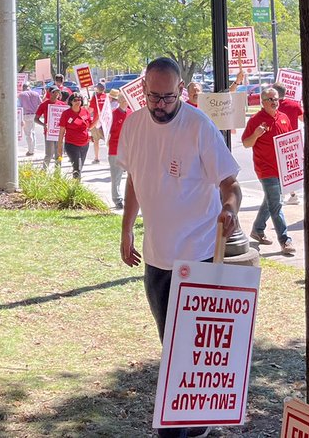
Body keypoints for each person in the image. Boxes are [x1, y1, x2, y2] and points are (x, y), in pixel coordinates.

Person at [118, 57, 242, 438]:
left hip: (199, 254)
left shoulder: (199, 127)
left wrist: (229, 209)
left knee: (183, 350)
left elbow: (230, 183)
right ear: (143, 91)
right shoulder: (134, 125)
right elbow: (135, 181)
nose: (160, 105)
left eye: (168, 97)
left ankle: (180, 427)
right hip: (157, 259)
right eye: (153, 97)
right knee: (170, 341)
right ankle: (197, 419)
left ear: (180, 91)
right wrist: (126, 231)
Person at [241, 87, 296, 255]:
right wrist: (256, 134)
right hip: (266, 169)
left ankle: (257, 229)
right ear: (262, 102)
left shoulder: (284, 118)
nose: (274, 102)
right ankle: (285, 240)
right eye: (270, 99)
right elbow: (246, 143)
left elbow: (290, 142)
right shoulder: (256, 120)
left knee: (271, 200)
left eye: (276, 99)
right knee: (276, 204)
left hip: (282, 169)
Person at [272, 82, 305, 204]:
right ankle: (292, 194)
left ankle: (281, 194)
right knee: (291, 170)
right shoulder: (294, 105)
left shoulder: (272, 106)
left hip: (277, 140)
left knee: (276, 169)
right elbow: (303, 119)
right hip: (292, 141)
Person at [60, 93, 94, 179]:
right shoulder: (66, 114)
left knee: (79, 167)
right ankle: (76, 187)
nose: (78, 102)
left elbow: (89, 126)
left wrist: (97, 118)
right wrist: (59, 146)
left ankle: (75, 184)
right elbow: (62, 131)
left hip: (84, 144)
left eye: (79, 100)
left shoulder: (85, 111)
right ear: (71, 102)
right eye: (75, 100)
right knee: (77, 167)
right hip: (71, 145)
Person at [107, 88, 129, 208]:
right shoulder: (113, 114)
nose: (126, 100)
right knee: (116, 176)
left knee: (131, 177)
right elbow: (104, 131)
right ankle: (117, 199)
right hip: (115, 149)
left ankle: (128, 198)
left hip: (129, 150)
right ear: (120, 100)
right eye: (124, 98)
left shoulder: (131, 113)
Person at [36, 88, 63, 167]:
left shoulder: (62, 105)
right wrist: (44, 125)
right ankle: (44, 172)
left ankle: (57, 172)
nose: (56, 94)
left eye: (58, 93)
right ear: (50, 93)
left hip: (59, 133)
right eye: (54, 92)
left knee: (59, 155)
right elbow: (36, 119)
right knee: (49, 154)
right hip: (48, 133)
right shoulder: (44, 104)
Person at [17, 81, 43, 157]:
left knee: (28, 133)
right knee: (33, 131)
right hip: (35, 115)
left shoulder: (21, 95)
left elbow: (18, 106)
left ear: (23, 88)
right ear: (29, 87)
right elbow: (40, 104)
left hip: (26, 115)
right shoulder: (36, 94)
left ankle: (31, 150)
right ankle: (33, 148)